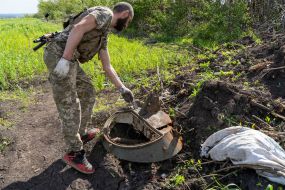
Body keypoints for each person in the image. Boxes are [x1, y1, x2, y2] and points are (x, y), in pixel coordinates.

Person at [43, 2, 134, 174]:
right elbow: (78, 28)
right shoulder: (105, 14)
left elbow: (107, 66)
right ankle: (74, 153)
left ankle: (80, 132)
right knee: (69, 103)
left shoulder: (104, 31)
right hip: (59, 55)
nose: (127, 25)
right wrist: (65, 58)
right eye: (128, 21)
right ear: (125, 14)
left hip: (69, 58)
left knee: (88, 91)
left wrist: (123, 89)